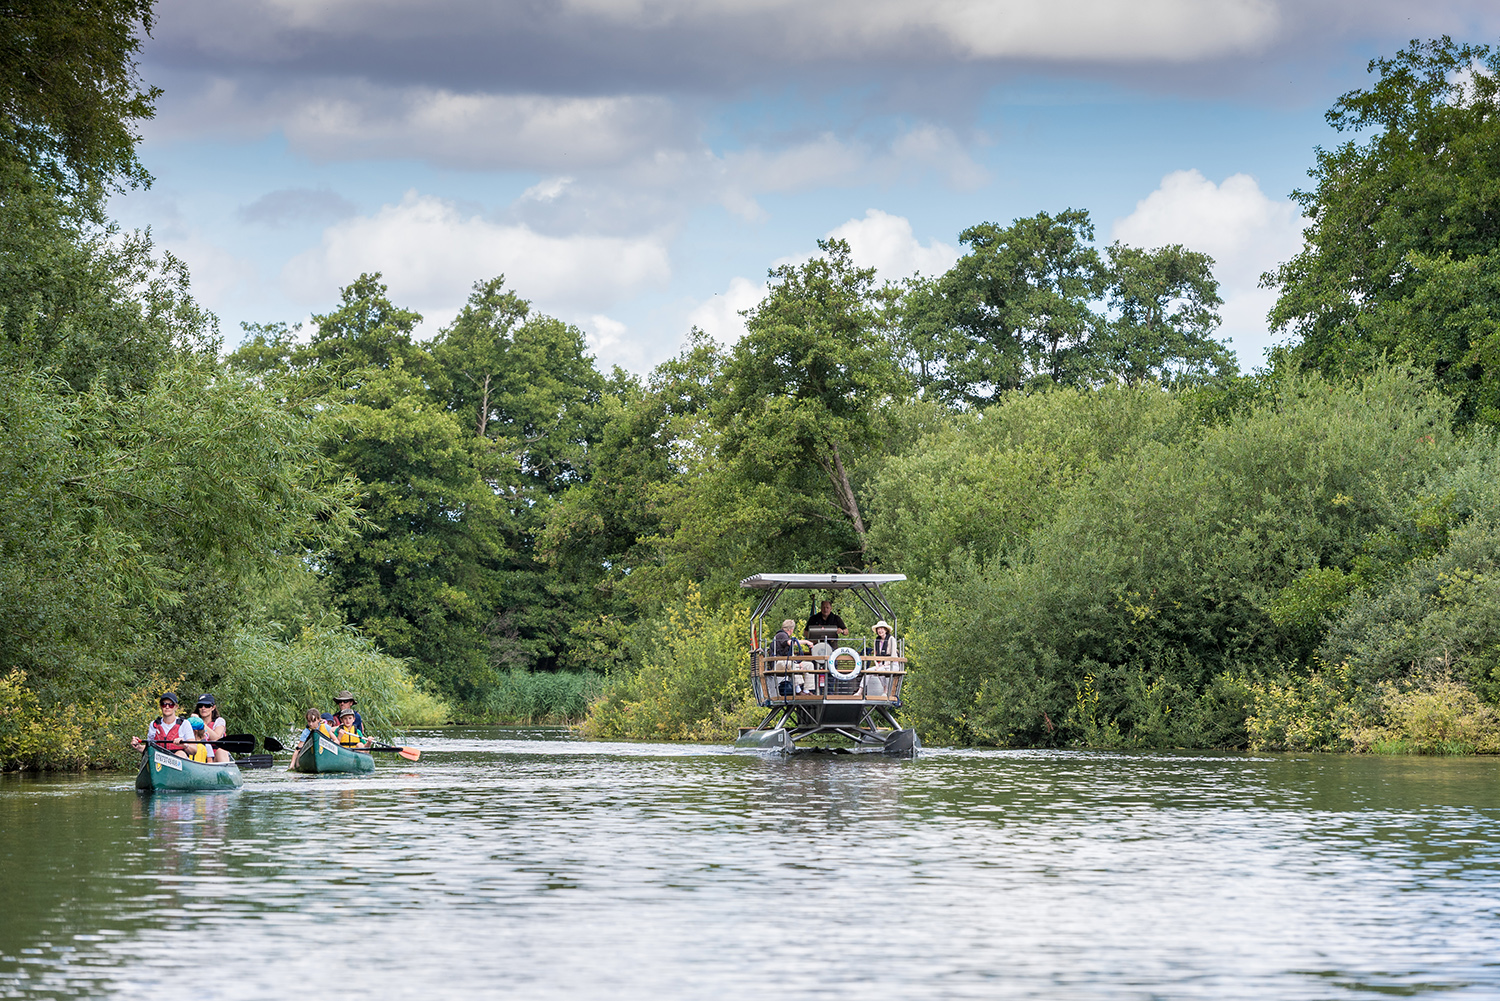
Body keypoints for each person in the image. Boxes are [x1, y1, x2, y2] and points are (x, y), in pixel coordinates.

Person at [131, 693, 193, 758]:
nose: (167, 707)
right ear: (161, 706)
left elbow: (194, 750)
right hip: (159, 759)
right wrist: (138, 747)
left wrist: (185, 745)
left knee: (180, 753)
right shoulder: (154, 725)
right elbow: (149, 749)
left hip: (179, 762)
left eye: (171, 705)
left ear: (176, 707)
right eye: (164, 704)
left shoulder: (184, 724)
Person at [194, 693, 230, 763]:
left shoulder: (219, 721)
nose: (203, 708)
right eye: (200, 706)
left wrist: (201, 723)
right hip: (200, 756)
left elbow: (216, 738)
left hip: (216, 757)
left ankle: (225, 771)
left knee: (221, 751)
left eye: (207, 706)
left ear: (213, 707)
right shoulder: (193, 722)